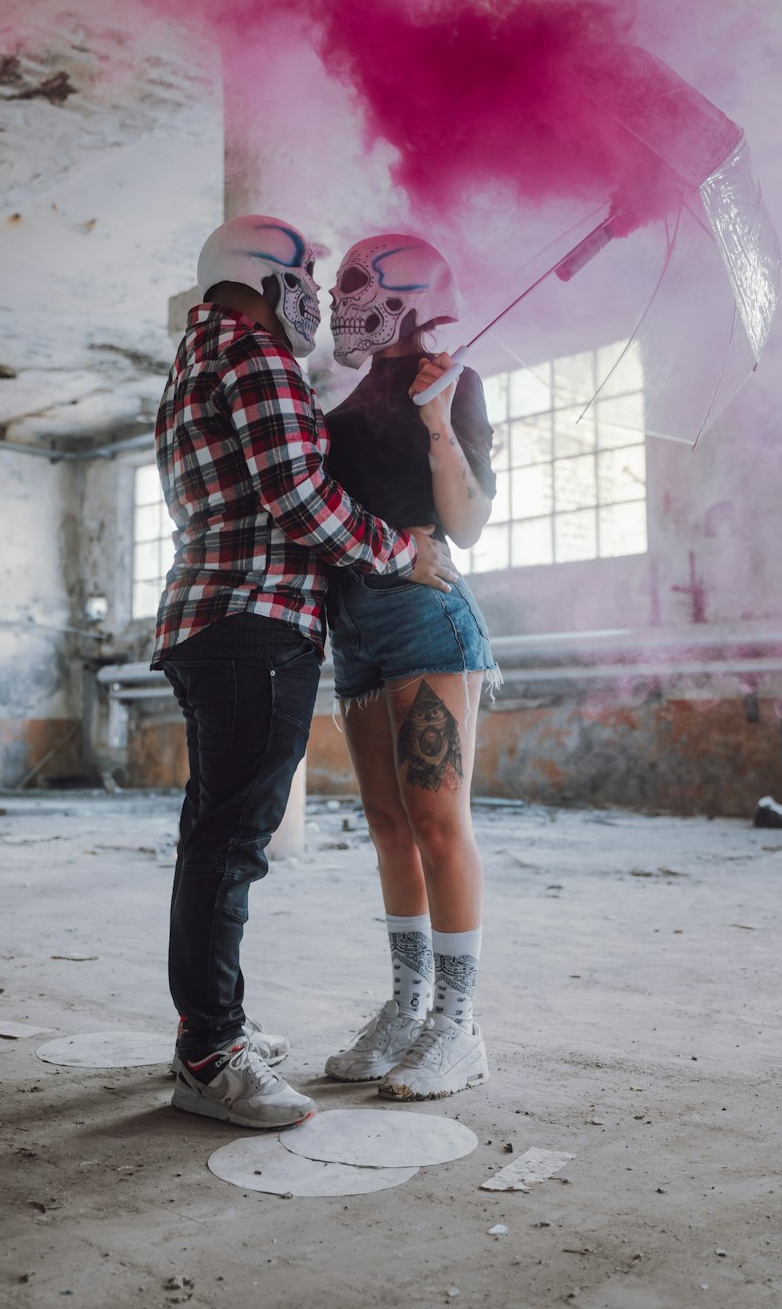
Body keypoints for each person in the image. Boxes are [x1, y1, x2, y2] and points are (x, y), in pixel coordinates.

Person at [151, 214, 458, 1131]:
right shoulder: (256, 356)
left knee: (212, 834)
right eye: (311, 276)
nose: (320, 296)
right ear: (263, 276)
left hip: (207, 620)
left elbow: (265, 483)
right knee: (231, 844)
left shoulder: (196, 357)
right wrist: (399, 550)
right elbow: (301, 500)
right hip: (257, 624)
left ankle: (210, 1027)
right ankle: (210, 1055)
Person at [322, 233, 500, 1100]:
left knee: (438, 825)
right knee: (390, 829)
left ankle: (457, 1027)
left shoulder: (455, 381)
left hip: (428, 623)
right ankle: (407, 1008)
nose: (345, 296)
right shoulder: (339, 393)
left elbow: (465, 526)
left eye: (362, 281)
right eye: (343, 281)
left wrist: (436, 421)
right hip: (354, 627)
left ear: (413, 290)